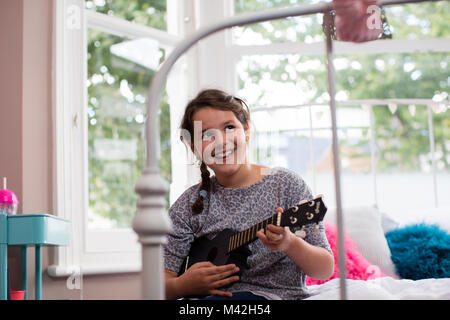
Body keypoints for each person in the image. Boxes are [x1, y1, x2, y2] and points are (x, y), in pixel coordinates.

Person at [163, 89, 333, 300]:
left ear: (246, 131)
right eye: (206, 135)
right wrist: (182, 286)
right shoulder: (188, 205)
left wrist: (290, 243)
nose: (221, 141)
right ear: (195, 148)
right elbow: (158, 285)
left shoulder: (286, 184)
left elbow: (325, 269)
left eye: (229, 127)